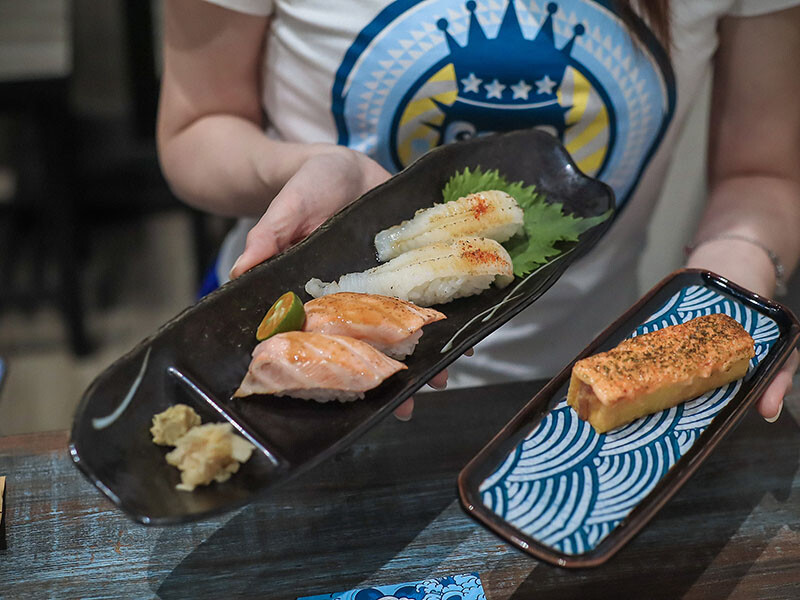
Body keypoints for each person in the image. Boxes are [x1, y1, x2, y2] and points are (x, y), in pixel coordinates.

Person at [157, 0, 800, 422]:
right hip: (289, 368)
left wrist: (733, 278)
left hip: (574, 391)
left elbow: (762, 172)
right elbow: (195, 128)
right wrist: (292, 169)